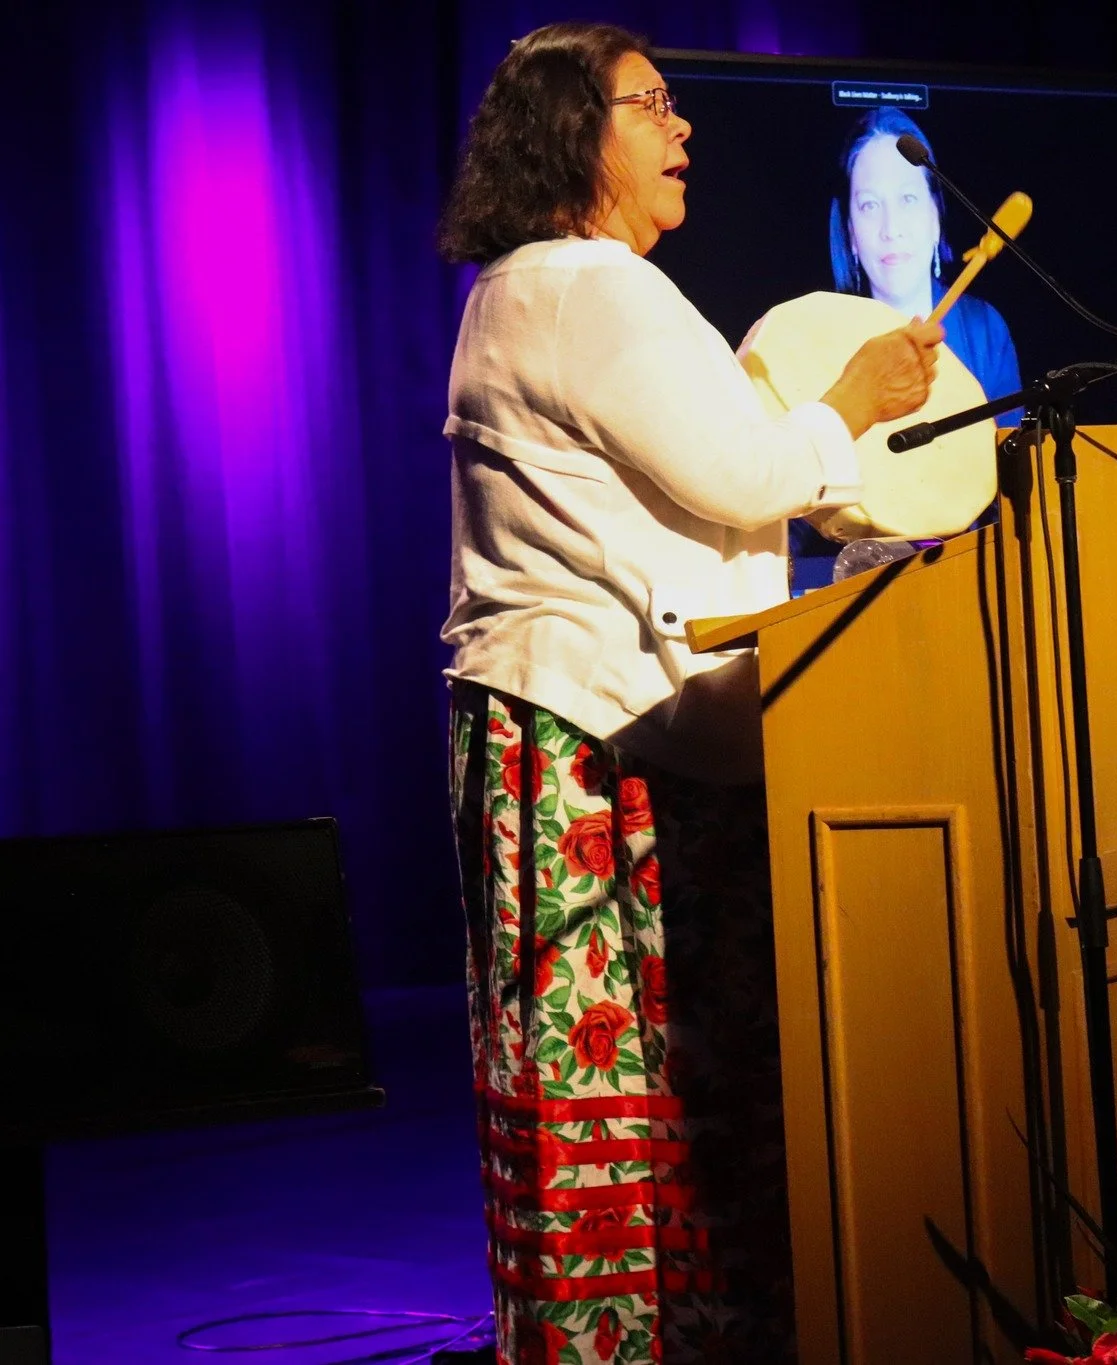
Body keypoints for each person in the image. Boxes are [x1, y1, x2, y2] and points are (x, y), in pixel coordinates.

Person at [435, 22, 942, 1363]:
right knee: (623, 1084)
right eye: (650, 105)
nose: (683, 129)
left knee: (661, 1087)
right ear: (569, 135)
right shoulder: (580, 286)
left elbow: (711, 483)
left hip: (621, 735)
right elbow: (738, 475)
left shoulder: (548, 287)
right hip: (597, 744)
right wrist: (850, 402)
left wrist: (856, 475)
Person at [789, 108, 1020, 591]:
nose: (891, 227)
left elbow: (1012, 482)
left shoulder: (982, 330)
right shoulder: (811, 331)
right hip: (838, 588)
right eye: (870, 205)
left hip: (965, 577)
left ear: (937, 216)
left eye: (909, 199)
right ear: (849, 230)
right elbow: (786, 494)